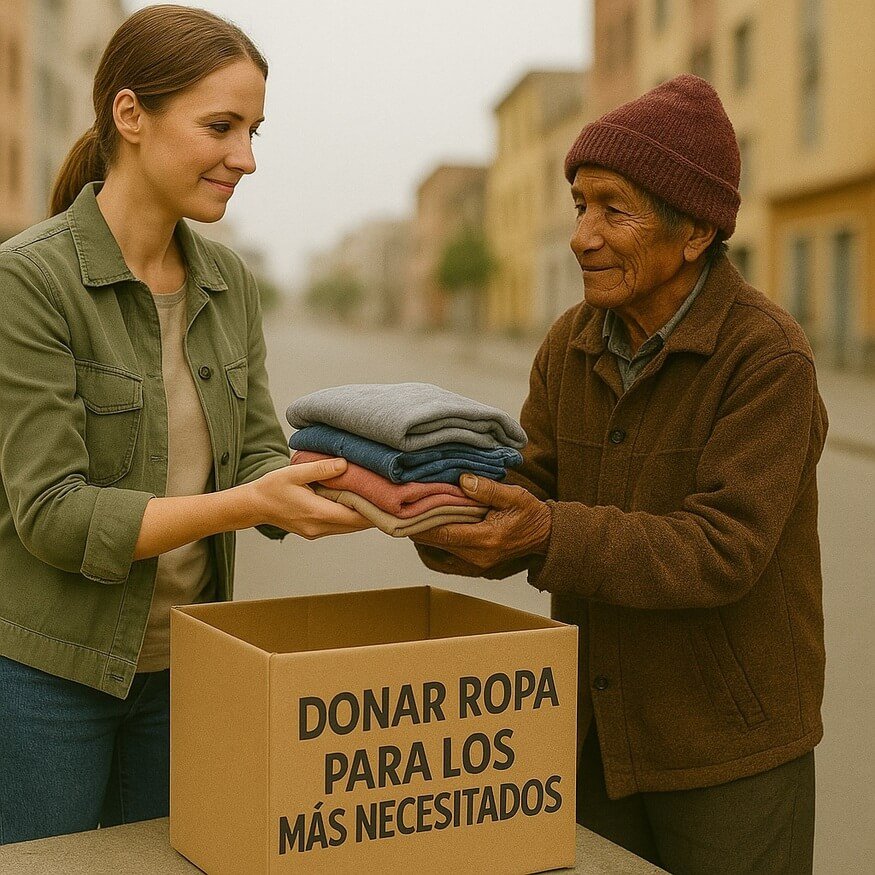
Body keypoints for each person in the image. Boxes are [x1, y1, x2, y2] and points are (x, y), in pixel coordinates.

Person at [414, 74, 827, 873]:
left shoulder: (766, 356)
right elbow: (535, 487)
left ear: (695, 230)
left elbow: (722, 548)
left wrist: (543, 531)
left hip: (729, 747)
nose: (581, 236)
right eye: (579, 205)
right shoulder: (571, 339)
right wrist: (432, 505)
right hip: (594, 734)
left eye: (613, 209)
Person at [0, 5, 370, 845]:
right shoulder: (29, 281)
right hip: (43, 675)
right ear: (131, 115)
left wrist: (360, 484)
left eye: (253, 131)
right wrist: (251, 504)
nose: (246, 158)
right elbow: (53, 514)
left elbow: (259, 451)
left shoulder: (228, 283)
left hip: (187, 667)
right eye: (220, 126)